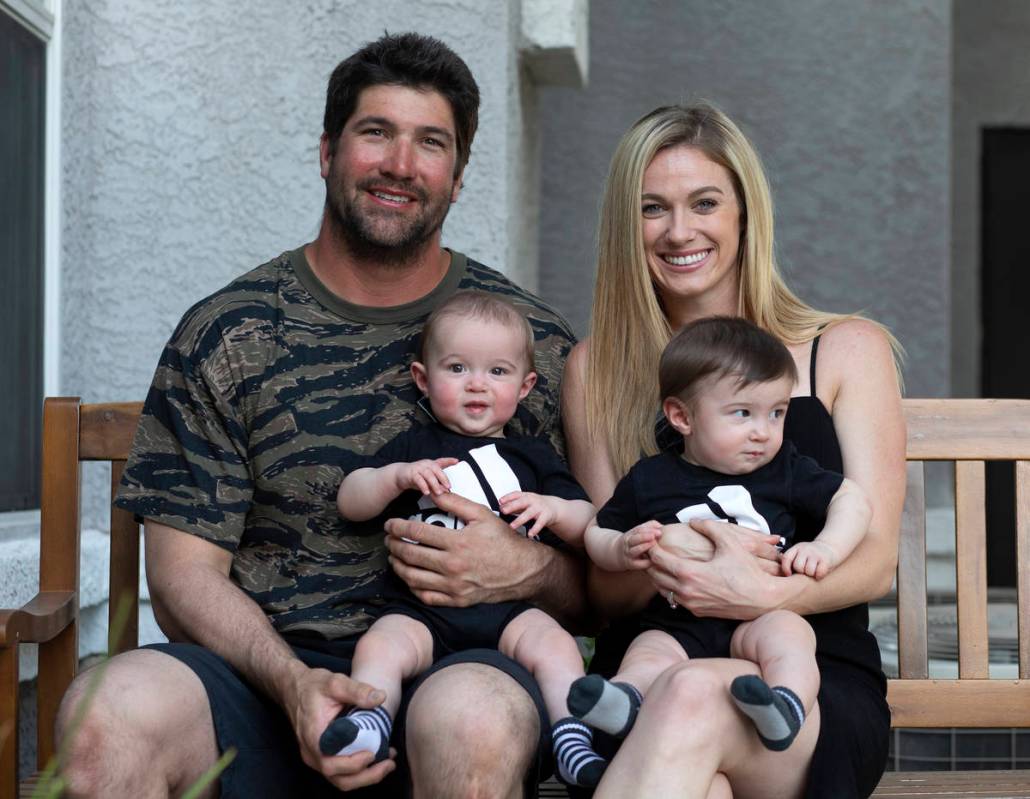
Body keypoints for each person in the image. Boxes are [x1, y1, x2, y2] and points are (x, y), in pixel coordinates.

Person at [55, 33, 585, 798]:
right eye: (376, 133)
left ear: (459, 177)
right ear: (329, 151)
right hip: (262, 684)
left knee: (475, 720)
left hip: (465, 663)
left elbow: (606, 569)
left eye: (430, 142)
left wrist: (528, 564)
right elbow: (181, 578)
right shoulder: (230, 332)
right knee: (104, 717)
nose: (401, 164)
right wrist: (293, 682)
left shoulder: (524, 342)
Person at [561, 102, 905, 798]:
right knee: (700, 766)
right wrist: (677, 555)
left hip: (804, 677)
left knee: (692, 699)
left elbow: (874, 561)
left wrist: (760, 591)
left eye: (705, 202)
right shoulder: (598, 372)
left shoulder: (843, 350)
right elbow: (603, 593)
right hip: (652, 666)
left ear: (745, 213)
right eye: (653, 208)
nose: (679, 230)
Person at [331, 290, 606, 788]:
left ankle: (572, 737)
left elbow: (589, 521)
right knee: (380, 646)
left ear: (525, 387)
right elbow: (350, 499)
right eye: (457, 368)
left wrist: (553, 508)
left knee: (557, 647)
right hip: (421, 611)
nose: (477, 384)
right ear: (423, 378)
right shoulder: (416, 449)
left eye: (497, 372)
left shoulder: (533, 456)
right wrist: (394, 477)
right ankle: (370, 720)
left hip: (510, 611)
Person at [566, 316, 871, 756]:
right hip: (678, 620)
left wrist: (825, 548)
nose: (762, 432)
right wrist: (620, 548)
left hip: (758, 616)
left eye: (777, 413)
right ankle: (625, 700)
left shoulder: (784, 467)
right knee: (649, 652)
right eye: (742, 414)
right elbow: (599, 531)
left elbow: (852, 500)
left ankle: (784, 703)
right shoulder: (651, 478)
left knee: (790, 635)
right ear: (681, 416)